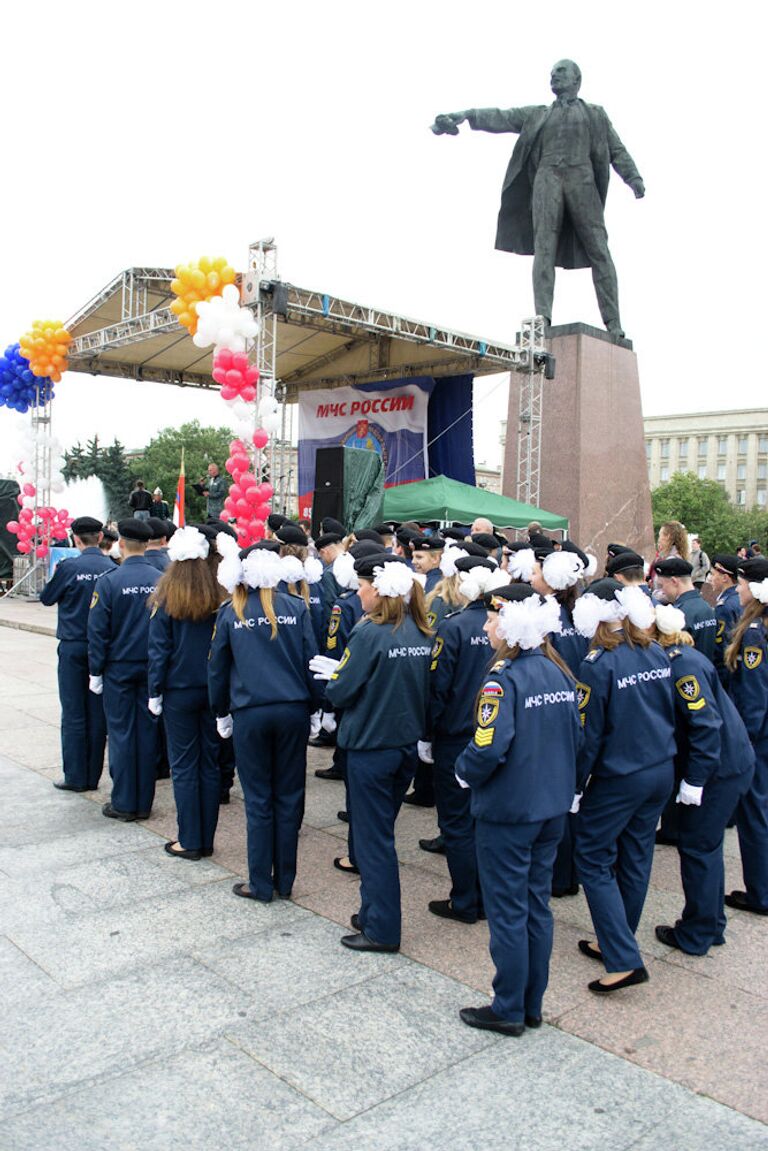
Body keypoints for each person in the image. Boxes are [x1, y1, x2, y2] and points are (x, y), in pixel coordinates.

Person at [432, 60, 644, 337]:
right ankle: (543, 317)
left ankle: (614, 324)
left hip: (582, 179)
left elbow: (617, 150)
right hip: (547, 179)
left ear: (577, 80)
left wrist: (634, 178)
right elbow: (502, 117)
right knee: (544, 247)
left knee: (599, 250)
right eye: (552, 73)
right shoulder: (538, 115)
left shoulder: (595, 114)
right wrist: (465, 115)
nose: (553, 76)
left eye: (561, 72)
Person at [455, 585, 582, 1036]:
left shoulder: (502, 680)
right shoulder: (560, 672)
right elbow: (577, 741)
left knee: (509, 910)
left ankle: (508, 1006)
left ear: (511, 627)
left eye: (494, 619)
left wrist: (463, 771)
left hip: (509, 811)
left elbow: (488, 747)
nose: (487, 626)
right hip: (550, 808)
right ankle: (531, 1004)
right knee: (535, 906)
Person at [315, 553, 432, 952]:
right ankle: (371, 913)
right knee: (379, 836)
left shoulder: (369, 633)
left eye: (363, 586)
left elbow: (341, 690)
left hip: (370, 747)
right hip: (403, 747)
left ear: (378, 591)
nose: (358, 592)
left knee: (372, 843)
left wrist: (334, 678)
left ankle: (381, 928)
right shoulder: (421, 630)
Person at [572, 579, 675, 992]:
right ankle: (617, 937)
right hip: (659, 769)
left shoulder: (598, 663)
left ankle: (622, 956)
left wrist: (576, 785)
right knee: (635, 856)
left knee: (593, 857)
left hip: (622, 776)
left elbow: (589, 735)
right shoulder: (655, 651)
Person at [208, 544, 320, 901]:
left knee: (258, 800)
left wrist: (220, 710)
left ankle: (260, 883)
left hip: (251, 712)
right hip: (292, 711)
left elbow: (217, 668)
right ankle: (284, 881)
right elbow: (310, 660)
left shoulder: (231, 612)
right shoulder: (294, 607)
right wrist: (317, 707)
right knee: (288, 797)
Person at [650, 604, 755, 953]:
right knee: (706, 848)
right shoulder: (682, 657)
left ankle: (696, 934)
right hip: (727, 763)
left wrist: (695, 780)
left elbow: (706, 726)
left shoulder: (681, 667)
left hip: (718, 769)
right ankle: (711, 925)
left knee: (697, 847)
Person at [426, 556, 508, 924]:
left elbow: (437, 686)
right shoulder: (503, 624)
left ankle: (465, 900)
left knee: (457, 823)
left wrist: (427, 732)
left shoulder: (453, 626)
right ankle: (487, 897)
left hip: (455, 736)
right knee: (483, 823)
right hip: (491, 737)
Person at [147, 526, 225, 860]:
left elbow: (158, 650)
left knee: (184, 766)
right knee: (209, 764)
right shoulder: (218, 595)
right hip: (211, 689)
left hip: (178, 691)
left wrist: (154, 690)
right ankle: (204, 838)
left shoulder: (166, 597)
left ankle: (189, 839)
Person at [87, 519, 161, 820]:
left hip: (119, 668)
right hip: (151, 667)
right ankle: (143, 802)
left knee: (120, 733)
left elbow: (98, 632)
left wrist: (95, 670)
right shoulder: (161, 579)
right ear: (146, 545)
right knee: (147, 734)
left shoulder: (109, 581)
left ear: (121, 544)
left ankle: (124, 802)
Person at [39, 516, 116, 792]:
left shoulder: (69, 567)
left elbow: (47, 597)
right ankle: (93, 775)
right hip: (103, 648)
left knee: (73, 711)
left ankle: (75, 775)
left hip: (73, 645)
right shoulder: (110, 567)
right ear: (100, 537)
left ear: (76, 539)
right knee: (97, 713)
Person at [531, 545, 590, 897]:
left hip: (553, 711)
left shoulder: (547, 620)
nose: (532, 577)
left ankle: (557, 874)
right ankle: (567, 873)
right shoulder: (577, 615)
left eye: (538, 574)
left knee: (556, 796)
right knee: (569, 795)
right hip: (577, 711)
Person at [722, 557, 768, 915]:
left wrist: (746, 745)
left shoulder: (754, 634)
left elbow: (754, 698)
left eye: (740, 583)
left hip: (759, 741)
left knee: (756, 815)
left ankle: (761, 893)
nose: (737, 589)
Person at [654, 557, 717, 660]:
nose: (662, 591)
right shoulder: (706, 607)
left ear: (674, 581)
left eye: (662, 585)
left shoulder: (678, 614)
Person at [709, 554, 742, 684]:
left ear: (725, 577)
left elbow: (723, 648)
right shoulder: (738, 598)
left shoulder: (724, 607)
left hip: (728, 676)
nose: (710, 578)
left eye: (713, 574)